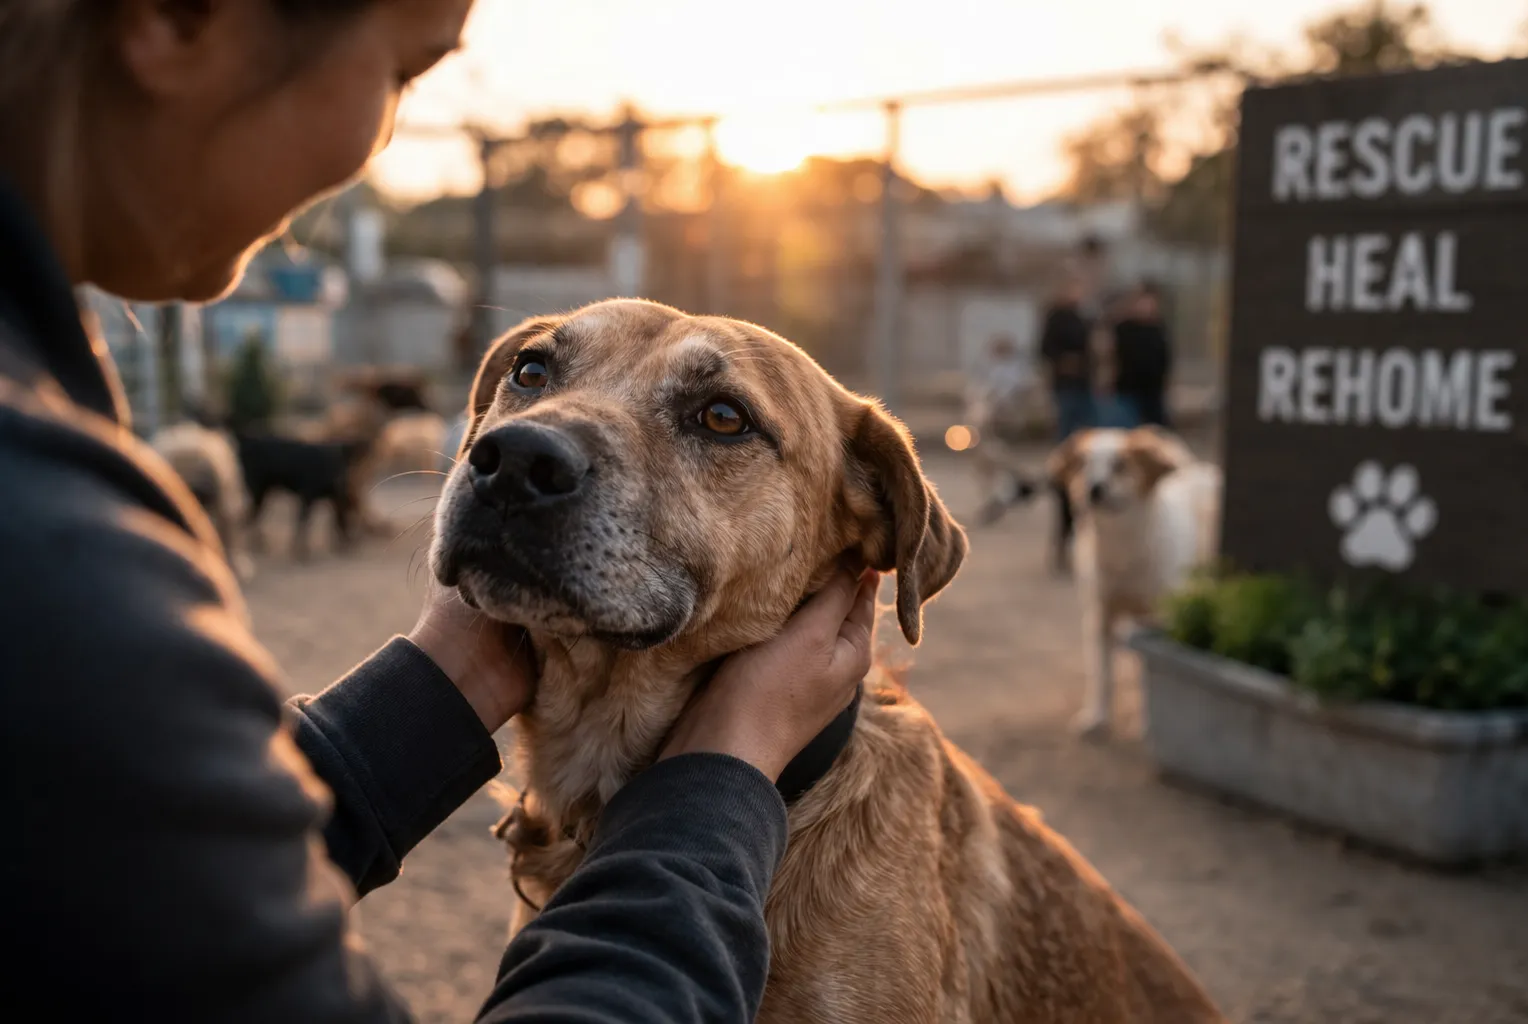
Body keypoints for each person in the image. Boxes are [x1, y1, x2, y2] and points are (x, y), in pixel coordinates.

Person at [0, 3, 878, 1022]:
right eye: (406, 72)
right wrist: (725, 773)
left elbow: (123, 877)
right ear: (179, 16)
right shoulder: (50, 558)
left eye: (719, 417)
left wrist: (444, 680)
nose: (532, 436)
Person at [1037, 273, 1095, 573]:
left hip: (1086, 393)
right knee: (1067, 465)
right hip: (1069, 392)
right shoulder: (1057, 318)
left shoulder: (1087, 318)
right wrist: (1067, 363)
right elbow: (1046, 352)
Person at [965, 334, 1037, 525]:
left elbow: (1023, 392)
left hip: (1004, 425)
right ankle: (1008, 492)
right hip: (983, 427)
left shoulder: (1018, 371)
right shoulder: (985, 369)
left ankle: (1004, 496)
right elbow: (975, 395)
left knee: (1000, 461)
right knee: (986, 464)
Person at [1110, 281, 1173, 429]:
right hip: (1128, 388)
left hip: (1153, 389)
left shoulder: (1158, 328)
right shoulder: (1124, 328)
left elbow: (1164, 356)